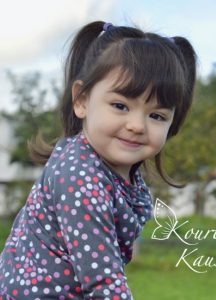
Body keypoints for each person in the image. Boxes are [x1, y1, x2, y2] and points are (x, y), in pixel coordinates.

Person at [0, 21, 197, 299]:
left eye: (157, 115)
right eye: (120, 106)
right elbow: (104, 283)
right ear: (81, 100)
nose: (137, 125)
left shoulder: (112, 170)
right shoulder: (80, 177)